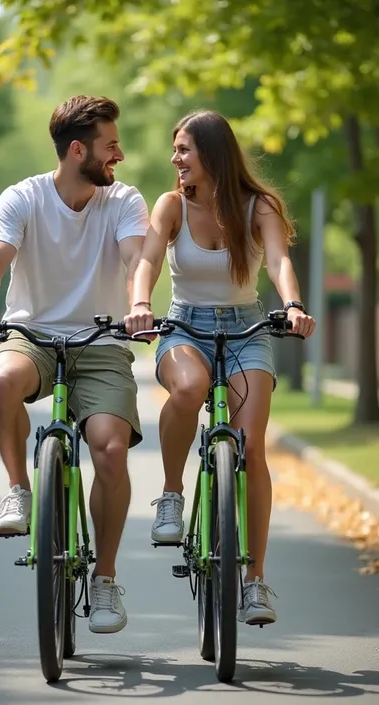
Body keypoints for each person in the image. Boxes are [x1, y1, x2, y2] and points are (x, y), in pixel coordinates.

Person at [0, 95, 149, 634]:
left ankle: (106, 580)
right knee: (3, 378)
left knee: (111, 451)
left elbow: (137, 256)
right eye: (110, 145)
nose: (119, 154)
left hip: (103, 343)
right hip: (32, 335)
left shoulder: (124, 201)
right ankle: (20, 487)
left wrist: (139, 304)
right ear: (76, 150)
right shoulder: (22, 198)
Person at [125, 109, 315, 626]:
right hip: (185, 326)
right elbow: (147, 261)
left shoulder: (259, 206)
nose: (175, 159)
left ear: (211, 153)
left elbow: (277, 261)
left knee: (251, 446)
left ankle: (255, 582)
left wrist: (293, 304)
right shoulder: (170, 207)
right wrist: (141, 302)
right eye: (174, 149)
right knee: (188, 389)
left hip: (247, 327)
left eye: (183, 148)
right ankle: (171, 495)